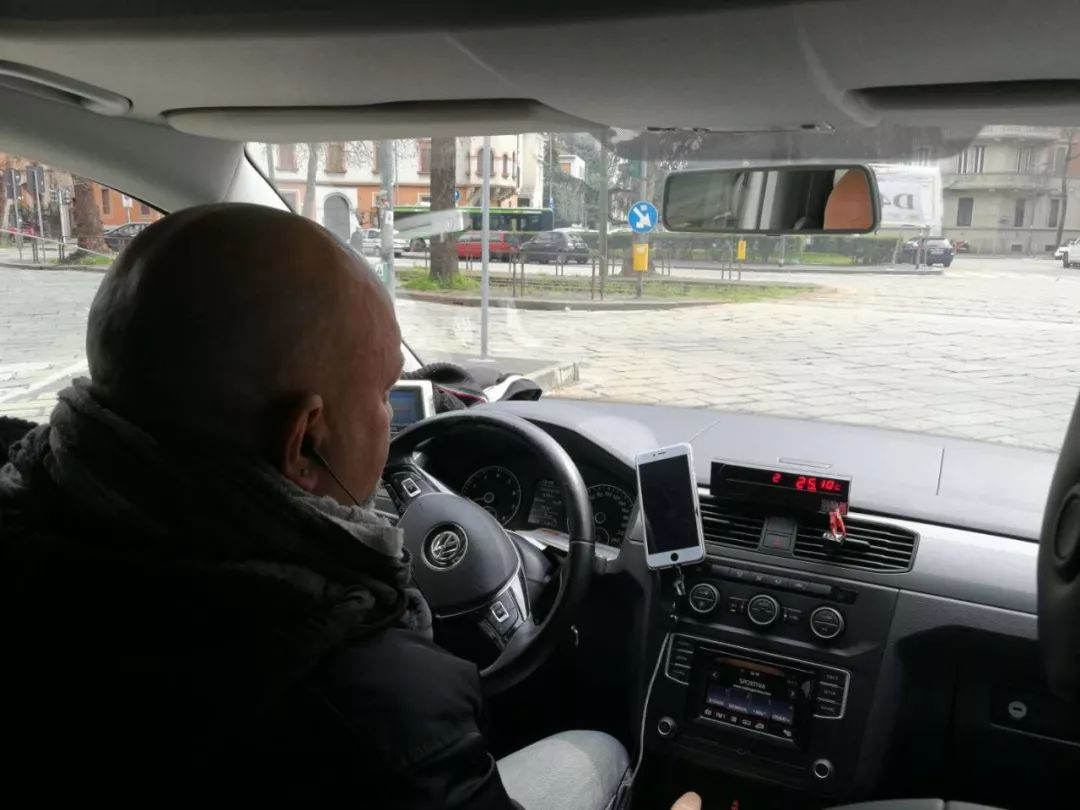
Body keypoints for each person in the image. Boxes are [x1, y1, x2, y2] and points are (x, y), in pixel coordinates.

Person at [0, 204, 628, 807]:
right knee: (598, 751)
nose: (392, 414)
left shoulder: (24, 510)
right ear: (304, 442)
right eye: (384, 393)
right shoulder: (380, 708)